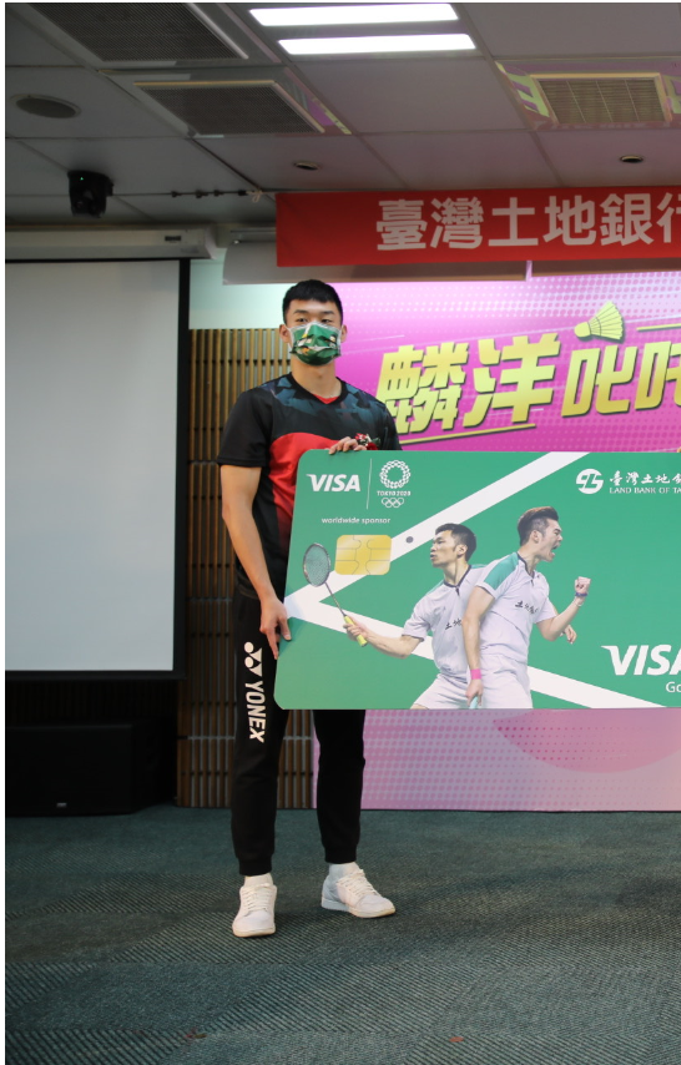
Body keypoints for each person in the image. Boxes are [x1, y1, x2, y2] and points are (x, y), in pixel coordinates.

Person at [217, 278, 400, 938]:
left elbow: (393, 508)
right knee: (258, 747)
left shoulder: (372, 413)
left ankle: (341, 874)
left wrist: (355, 473)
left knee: (344, 747)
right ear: (284, 331)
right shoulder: (260, 405)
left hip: (339, 608)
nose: (314, 329)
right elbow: (235, 505)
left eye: (326, 318)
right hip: (267, 605)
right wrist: (267, 595)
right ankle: (256, 886)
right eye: (302, 318)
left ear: (344, 332)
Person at [342, 524, 487, 708]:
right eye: (432, 543)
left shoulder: (488, 576)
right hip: (451, 682)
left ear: (461, 549)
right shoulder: (429, 602)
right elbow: (404, 648)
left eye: (440, 542)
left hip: (492, 676)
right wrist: (367, 634)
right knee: (416, 718)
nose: (432, 548)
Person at [462, 507, 589, 710]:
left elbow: (550, 631)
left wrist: (578, 599)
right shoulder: (505, 567)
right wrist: (476, 675)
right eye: (556, 532)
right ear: (536, 535)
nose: (561, 538)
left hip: (519, 667)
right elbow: (470, 618)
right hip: (493, 664)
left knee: (511, 728)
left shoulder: (540, 582)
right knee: (523, 724)